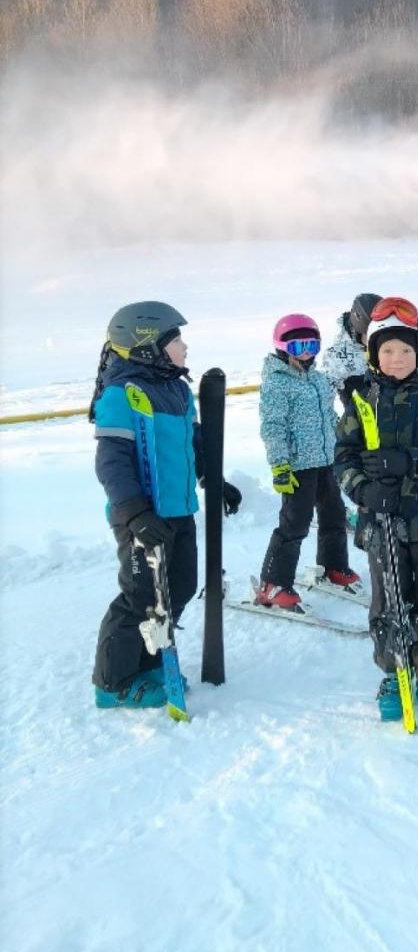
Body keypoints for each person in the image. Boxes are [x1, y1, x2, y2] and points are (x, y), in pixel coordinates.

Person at [90, 301, 241, 709]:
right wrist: (135, 513)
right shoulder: (121, 395)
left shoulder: (175, 388)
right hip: (141, 517)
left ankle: (150, 659)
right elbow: (112, 463)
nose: (184, 347)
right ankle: (115, 682)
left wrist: (213, 477)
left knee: (180, 587)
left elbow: (190, 444)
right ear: (146, 346)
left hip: (178, 511)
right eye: (175, 340)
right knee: (140, 597)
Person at [334, 297, 418, 722]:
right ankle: (395, 672)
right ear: (373, 354)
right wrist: (363, 492)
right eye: (387, 350)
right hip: (382, 525)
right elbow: (343, 457)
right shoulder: (361, 403)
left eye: (406, 351)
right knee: (389, 600)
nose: (396, 359)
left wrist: (411, 461)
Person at [253, 313, 359, 610]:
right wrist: (280, 465)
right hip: (298, 466)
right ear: (283, 348)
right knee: (294, 524)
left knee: (334, 517)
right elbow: (272, 426)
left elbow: (330, 417)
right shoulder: (276, 383)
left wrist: (343, 444)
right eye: (299, 347)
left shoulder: (319, 379)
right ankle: (272, 583)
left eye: (312, 345)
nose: (307, 353)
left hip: (327, 461)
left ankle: (333, 566)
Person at [321, 292, 381, 409]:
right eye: (372, 335)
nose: (378, 342)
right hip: (360, 421)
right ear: (359, 329)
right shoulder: (338, 356)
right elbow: (323, 399)